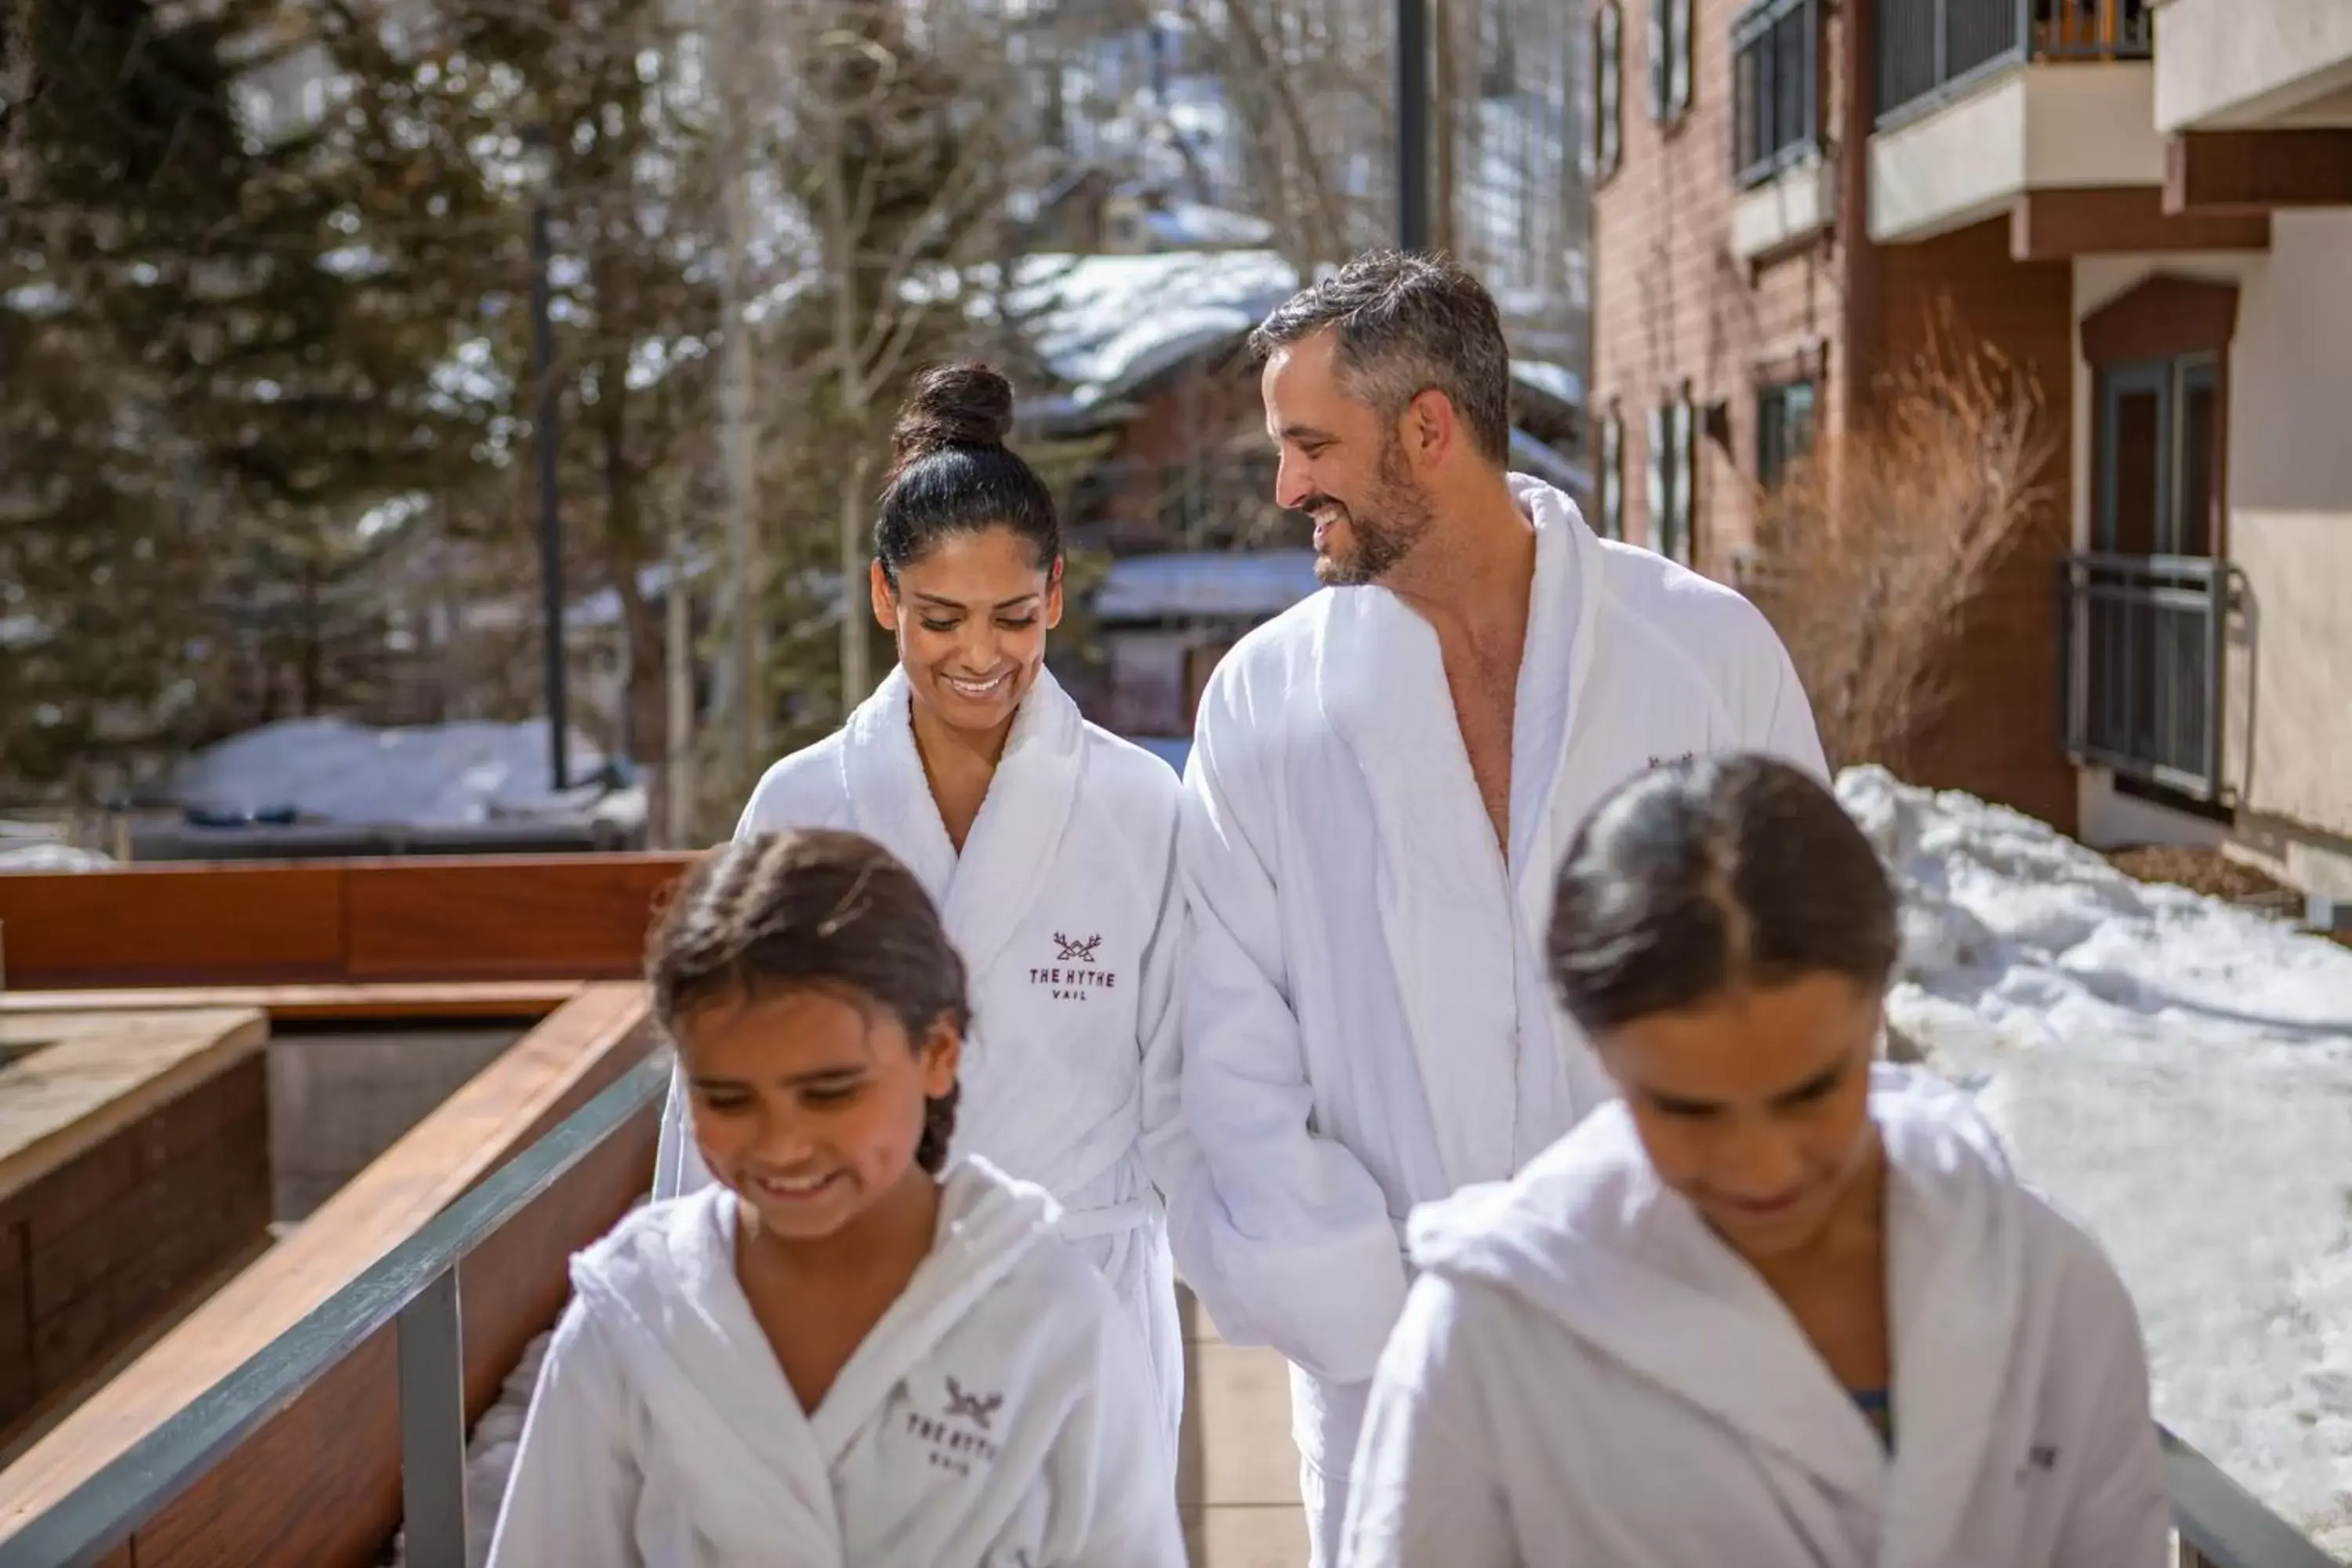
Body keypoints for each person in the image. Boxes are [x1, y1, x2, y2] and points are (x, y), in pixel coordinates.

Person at [1156, 250, 1830, 1562]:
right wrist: (1361, 1308)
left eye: (1311, 444)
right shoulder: (1262, 704)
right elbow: (1222, 1058)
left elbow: (1808, 1002)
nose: (1287, 486)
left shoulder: (1705, 658)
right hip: (1393, 1390)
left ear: (1428, 430)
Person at [1341, 754, 2172, 1566]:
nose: (1763, 1167)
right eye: (1687, 1109)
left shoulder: (2053, 1292)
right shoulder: (1487, 1337)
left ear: (1880, 1007)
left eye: (1812, 1092)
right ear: (1601, 1055)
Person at [648, 361, 1188, 1457]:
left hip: (1078, 1299)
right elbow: (720, 1070)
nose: (978, 655)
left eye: (1011, 616)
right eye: (940, 618)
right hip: (850, 1297)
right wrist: (685, 1304)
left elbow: (1191, 1078)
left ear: (1057, 596)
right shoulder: (803, 802)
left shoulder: (1140, 805)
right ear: (885, 595)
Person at [487, 830, 1187, 1568]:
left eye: (830, 1093)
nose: (782, 1144)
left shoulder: (1053, 1322)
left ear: (937, 1056)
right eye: (727, 1098)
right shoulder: (632, 1318)